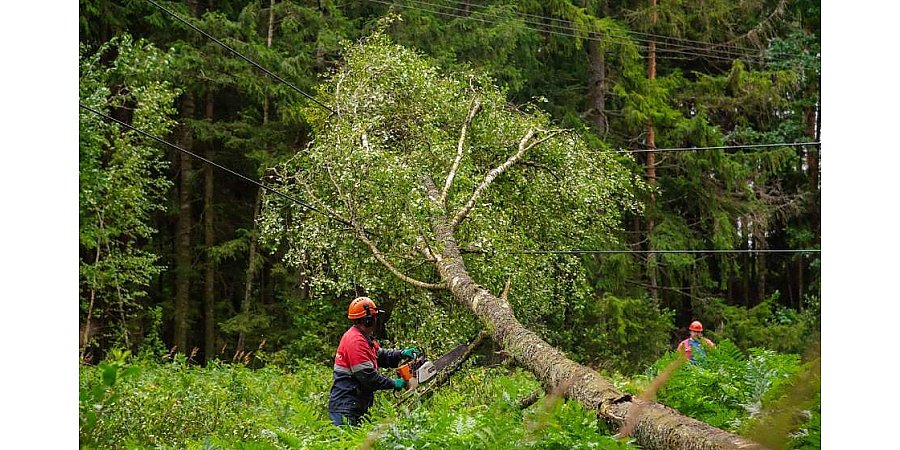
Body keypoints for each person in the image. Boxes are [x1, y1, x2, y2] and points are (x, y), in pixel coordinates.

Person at [328, 296, 419, 426]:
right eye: (374, 318)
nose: (376, 321)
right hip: (346, 405)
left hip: (355, 403)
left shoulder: (363, 338)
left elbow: (380, 355)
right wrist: (393, 383)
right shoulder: (356, 341)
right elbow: (367, 377)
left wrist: (401, 354)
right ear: (368, 321)